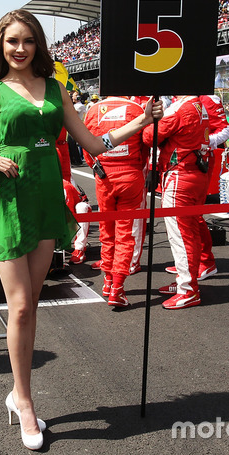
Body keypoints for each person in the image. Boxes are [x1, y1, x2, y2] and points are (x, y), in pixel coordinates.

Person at [0, 9, 162, 450]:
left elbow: (94, 145)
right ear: (0, 46)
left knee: (32, 303)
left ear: (38, 45)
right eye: (11, 42)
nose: (19, 49)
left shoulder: (56, 90)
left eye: (27, 41)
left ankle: (17, 392)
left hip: (46, 201)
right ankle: (24, 401)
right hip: (8, 199)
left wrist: (140, 122)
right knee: (20, 306)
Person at [82, 96, 150, 307]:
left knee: (107, 232)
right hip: (131, 176)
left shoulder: (93, 110)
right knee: (125, 234)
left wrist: (99, 169)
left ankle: (107, 281)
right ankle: (117, 288)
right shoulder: (136, 108)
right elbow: (146, 144)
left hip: (104, 177)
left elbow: (87, 148)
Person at [144, 95, 211, 310]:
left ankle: (188, 289)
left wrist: (147, 120)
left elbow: (149, 136)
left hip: (180, 176)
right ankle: (186, 281)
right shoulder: (200, 105)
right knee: (189, 233)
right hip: (195, 173)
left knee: (181, 237)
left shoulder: (179, 108)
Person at [163, 95, 229, 282]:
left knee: (193, 216)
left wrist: (201, 143)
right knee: (182, 217)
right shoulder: (176, 98)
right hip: (178, 162)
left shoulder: (208, 99)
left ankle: (206, 262)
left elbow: (225, 130)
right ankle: (187, 261)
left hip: (198, 161)